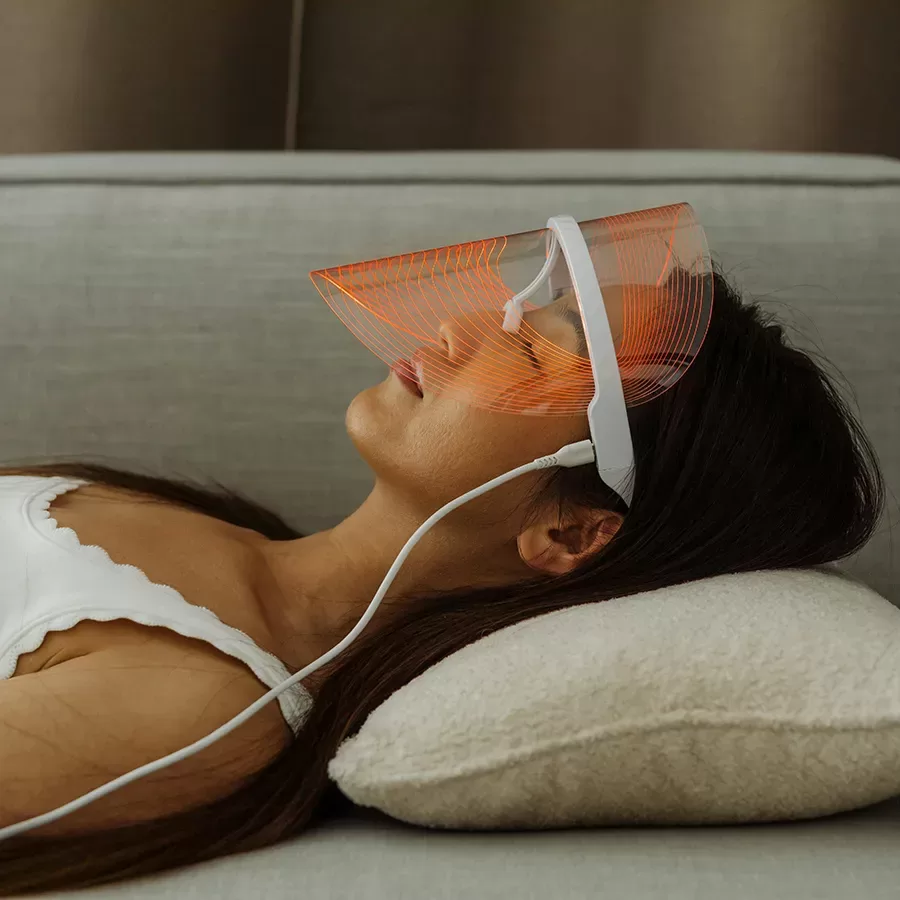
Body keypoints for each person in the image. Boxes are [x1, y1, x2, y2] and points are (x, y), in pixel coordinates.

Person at [0, 268, 884, 895]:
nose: (457, 331)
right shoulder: (176, 517)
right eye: (528, 314)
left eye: (536, 356)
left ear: (569, 531)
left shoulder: (196, 710)